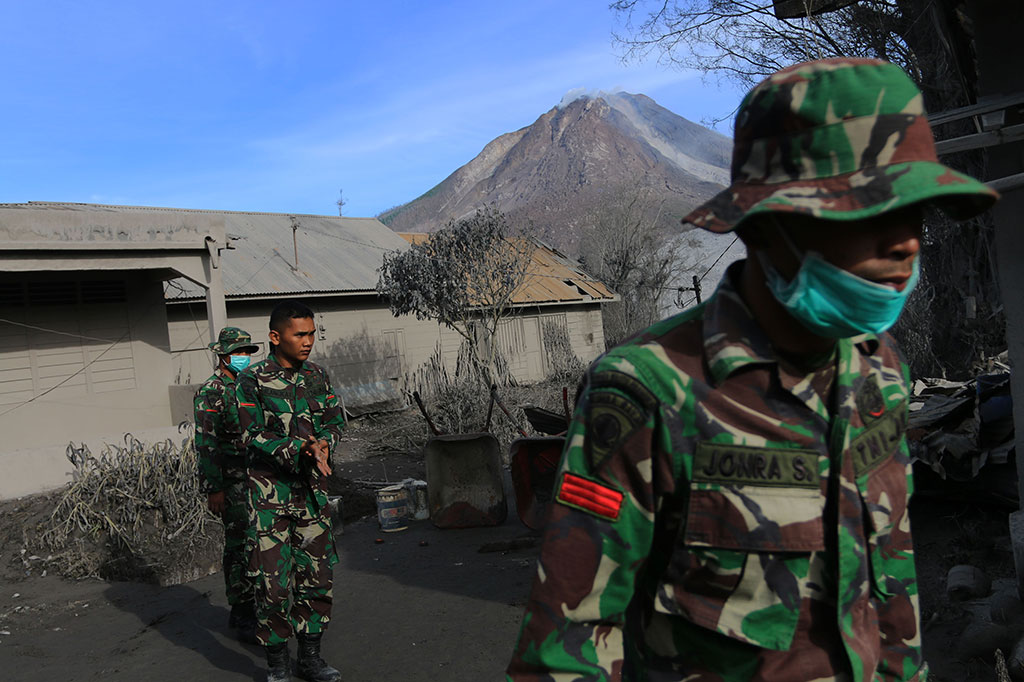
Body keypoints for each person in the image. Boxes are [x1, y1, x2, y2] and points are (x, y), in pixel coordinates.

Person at [506, 57, 999, 681]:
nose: (906, 242)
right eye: (870, 213)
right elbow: (565, 652)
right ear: (769, 228)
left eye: (915, 213)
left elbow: (892, 585)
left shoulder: (880, 372)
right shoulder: (650, 393)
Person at [236, 301, 344, 682]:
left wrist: (326, 444)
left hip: (311, 495)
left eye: (312, 333)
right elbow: (253, 434)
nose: (308, 341)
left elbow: (333, 420)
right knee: (273, 586)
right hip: (270, 497)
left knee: (316, 579)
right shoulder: (252, 380)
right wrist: (299, 448)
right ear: (275, 336)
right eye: (300, 334)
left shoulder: (317, 376)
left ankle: (311, 659)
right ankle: (278, 665)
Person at [194, 326, 260, 644]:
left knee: (260, 544)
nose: (244, 358)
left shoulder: (249, 386)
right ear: (223, 356)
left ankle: (257, 603)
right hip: (231, 482)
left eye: (247, 352)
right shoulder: (211, 392)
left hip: (257, 479)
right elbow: (206, 443)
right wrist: (214, 488)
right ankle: (242, 609)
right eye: (239, 353)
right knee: (240, 546)